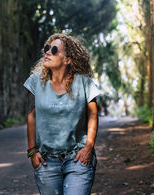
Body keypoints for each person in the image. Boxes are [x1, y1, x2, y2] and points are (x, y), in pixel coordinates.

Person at [24, 33, 101, 195]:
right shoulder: (36, 82)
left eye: (54, 50)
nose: (47, 52)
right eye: (47, 48)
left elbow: (93, 115)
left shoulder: (84, 83)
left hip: (77, 158)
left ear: (68, 60)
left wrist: (89, 146)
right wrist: (32, 151)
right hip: (46, 161)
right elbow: (32, 115)